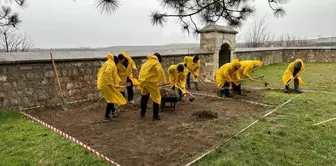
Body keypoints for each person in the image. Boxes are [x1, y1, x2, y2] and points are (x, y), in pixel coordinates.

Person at [97, 53, 127, 122]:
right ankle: (106, 116)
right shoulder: (111, 64)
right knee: (110, 99)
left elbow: (112, 75)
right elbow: (108, 72)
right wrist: (110, 83)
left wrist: (115, 83)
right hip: (106, 85)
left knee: (112, 97)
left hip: (103, 84)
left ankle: (113, 112)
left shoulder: (107, 63)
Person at [138, 53, 167, 120]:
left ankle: (142, 113)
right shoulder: (156, 63)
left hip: (143, 82)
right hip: (151, 83)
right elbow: (160, 71)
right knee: (156, 98)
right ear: (158, 59)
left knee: (144, 97)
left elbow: (141, 71)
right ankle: (155, 116)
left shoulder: (146, 63)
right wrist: (163, 82)